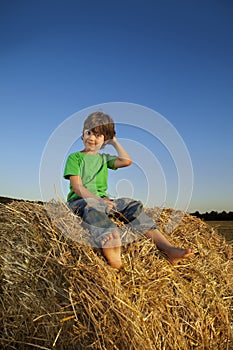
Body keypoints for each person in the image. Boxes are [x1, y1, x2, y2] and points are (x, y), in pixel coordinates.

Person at [64, 112, 193, 269]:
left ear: (105, 140)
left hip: (104, 201)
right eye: (89, 132)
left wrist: (115, 142)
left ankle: (167, 248)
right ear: (83, 134)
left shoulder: (104, 159)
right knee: (92, 209)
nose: (92, 138)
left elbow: (126, 161)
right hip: (80, 202)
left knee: (130, 204)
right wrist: (98, 200)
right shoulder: (75, 158)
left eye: (98, 135)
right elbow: (77, 187)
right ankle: (113, 250)